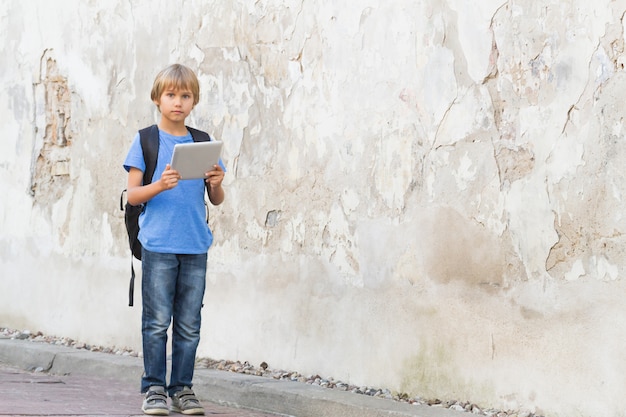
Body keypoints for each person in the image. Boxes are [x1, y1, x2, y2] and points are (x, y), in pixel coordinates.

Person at [123, 63, 225, 416]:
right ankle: (154, 388)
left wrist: (216, 183)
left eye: (185, 96)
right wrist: (160, 185)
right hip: (158, 245)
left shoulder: (202, 142)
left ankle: (182, 388)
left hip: (195, 244)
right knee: (156, 321)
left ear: (194, 101)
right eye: (171, 95)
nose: (178, 102)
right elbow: (133, 195)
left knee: (189, 323)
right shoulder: (146, 140)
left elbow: (217, 199)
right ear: (157, 99)